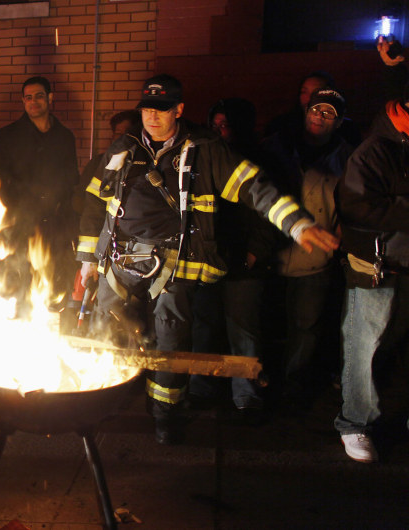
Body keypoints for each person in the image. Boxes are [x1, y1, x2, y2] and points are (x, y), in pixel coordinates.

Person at [77, 74, 340, 445]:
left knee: (170, 340)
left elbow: (254, 186)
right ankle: (100, 401)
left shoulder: (204, 148)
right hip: (117, 258)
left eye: (162, 109)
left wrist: (296, 224)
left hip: (172, 263)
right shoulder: (124, 147)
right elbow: (93, 201)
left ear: (179, 110)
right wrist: (88, 258)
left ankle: (165, 414)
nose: (153, 117)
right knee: (107, 334)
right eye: (148, 109)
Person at [188, 98, 279, 424]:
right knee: (203, 326)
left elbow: (271, 211)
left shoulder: (259, 161)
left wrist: (257, 251)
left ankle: (246, 394)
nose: (220, 131)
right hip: (209, 258)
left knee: (243, 329)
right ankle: (201, 385)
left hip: (244, 262)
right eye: (215, 125)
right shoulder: (202, 158)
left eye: (226, 125)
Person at [261, 88, 352, 412]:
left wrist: (341, 236)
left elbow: (351, 206)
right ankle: (261, 380)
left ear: (338, 121)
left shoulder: (346, 158)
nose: (319, 116)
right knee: (266, 323)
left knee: (306, 326)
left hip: (315, 260)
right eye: (316, 109)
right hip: (271, 255)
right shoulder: (275, 147)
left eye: (328, 113)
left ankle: (293, 387)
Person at [334, 83, 409, 464]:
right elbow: (358, 208)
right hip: (377, 267)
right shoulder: (376, 150)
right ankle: (354, 423)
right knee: (363, 347)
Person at [0, 76, 79, 311]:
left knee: (51, 287)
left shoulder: (64, 137)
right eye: (28, 97)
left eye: (39, 96)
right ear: (23, 101)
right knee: (16, 284)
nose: (33, 102)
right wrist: (12, 216)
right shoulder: (8, 135)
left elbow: (72, 181)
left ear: (50, 98)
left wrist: (67, 220)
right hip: (19, 224)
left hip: (54, 226)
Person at [264, 70, 361, 148]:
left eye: (317, 92)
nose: (310, 98)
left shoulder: (347, 134)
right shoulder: (280, 127)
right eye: (304, 92)